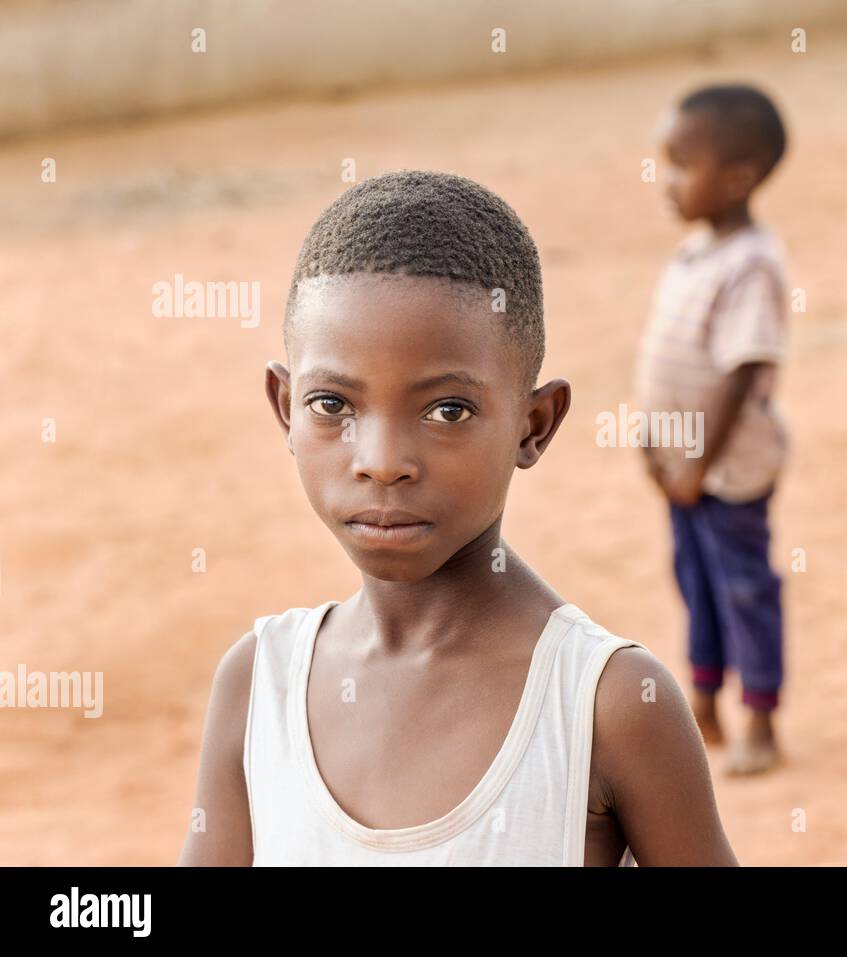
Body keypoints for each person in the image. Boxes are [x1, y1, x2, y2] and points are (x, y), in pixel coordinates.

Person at [179, 170, 737, 866]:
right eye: (333, 405)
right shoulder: (260, 683)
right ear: (284, 407)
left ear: (535, 424)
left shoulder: (605, 705)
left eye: (448, 409)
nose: (382, 462)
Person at [635, 84, 790, 775]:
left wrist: (698, 462)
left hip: (727, 473)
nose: (665, 180)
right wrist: (656, 446)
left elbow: (739, 372)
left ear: (738, 178)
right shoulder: (695, 252)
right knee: (693, 582)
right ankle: (703, 703)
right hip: (682, 471)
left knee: (744, 588)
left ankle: (759, 718)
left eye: (680, 164)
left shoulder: (751, 264)